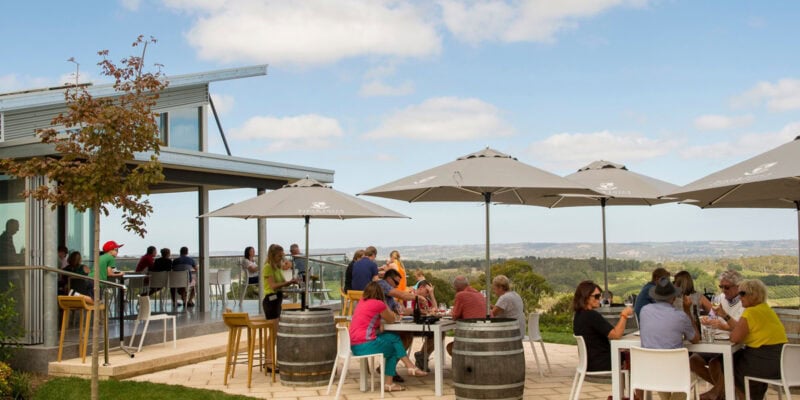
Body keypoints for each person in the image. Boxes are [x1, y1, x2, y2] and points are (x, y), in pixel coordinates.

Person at [714, 279, 787, 400]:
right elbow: (741, 328)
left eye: (742, 293)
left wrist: (725, 323)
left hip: (762, 362)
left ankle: (733, 396)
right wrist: (724, 315)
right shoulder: (766, 309)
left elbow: (735, 337)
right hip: (779, 363)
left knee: (724, 362)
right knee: (735, 360)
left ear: (754, 295)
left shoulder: (751, 312)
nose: (739, 297)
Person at [349, 281, 428, 393]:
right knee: (393, 350)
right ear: (380, 294)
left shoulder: (361, 302)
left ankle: (410, 367)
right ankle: (389, 384)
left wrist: (379, 323)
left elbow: (368, 322)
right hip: (365, 345)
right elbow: (391, 319)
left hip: (354, 345)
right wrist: (384, 302)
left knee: (393, 337)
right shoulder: (378, 304)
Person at [639, 277, 700, 400]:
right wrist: (688, 310)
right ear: (673, 298)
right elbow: (695, 339)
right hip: (674, 371)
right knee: (693, 375)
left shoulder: (644, 311)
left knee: (662, 376)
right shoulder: (680, 316)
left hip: (649, 371)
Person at [690, 270, 745, 400]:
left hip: (737, 345)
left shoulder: (744, 302)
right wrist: (707, 320)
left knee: (715, 363)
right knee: (693, 360)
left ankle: (717, 393)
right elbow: (712, 316)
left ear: (738, 287)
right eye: (721, 287)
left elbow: (740, 328)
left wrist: (723, 324)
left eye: (727, 287)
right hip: (718, 341)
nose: (723, 290)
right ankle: (725, 391)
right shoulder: (719, 298)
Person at [572, 280, 633, 372]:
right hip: (601, 363)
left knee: (627, 355)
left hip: (589, 363)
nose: (599, 299)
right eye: (596, 296)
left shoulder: (579, 315)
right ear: (586, 297)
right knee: (636, 356)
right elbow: (616, 335)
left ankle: (628, 385)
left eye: (599, 296)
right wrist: (624, 314)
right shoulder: (591, 315)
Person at [446, 275, 486, 356]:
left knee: (450, 347)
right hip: (486, 333)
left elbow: (455, 316)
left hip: (473, 335)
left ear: (456, 288)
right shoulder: (479, 294)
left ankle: (463, 366)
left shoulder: (461, 295)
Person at [262, 244, 298, 320]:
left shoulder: (278, 268)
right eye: (279, 256)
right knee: (275, 325)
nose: (281, 258)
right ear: (272, 256)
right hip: (271, 299)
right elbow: (273, 286)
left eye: (282, 256)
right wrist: (288, 282)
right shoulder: (268, 267)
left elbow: (289, 265)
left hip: (278, 298)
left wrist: (291, 282)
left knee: (278, 324)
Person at [411, 279, 438, 371]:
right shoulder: (411, 295)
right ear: (421, 288)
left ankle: (422, 356)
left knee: (440, 334)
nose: (428, 294)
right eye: (427, 292)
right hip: (411, 326)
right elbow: (411, 310)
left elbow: (435, 308)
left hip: (422, 325)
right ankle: (422, 357)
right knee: (434, 333)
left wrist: (431, 294)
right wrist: (426, 311)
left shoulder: (426, 298)